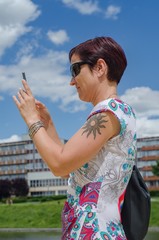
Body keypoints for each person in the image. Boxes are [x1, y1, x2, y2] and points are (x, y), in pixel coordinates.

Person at [13, 36, 136, 239]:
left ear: (100, 67)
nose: (72, 81)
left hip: (92, 231)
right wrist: (48, 124)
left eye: (75, 69)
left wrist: (32, 121)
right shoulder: (118, 112)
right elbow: (67, 169)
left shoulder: (108, 112)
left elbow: (59, 164)